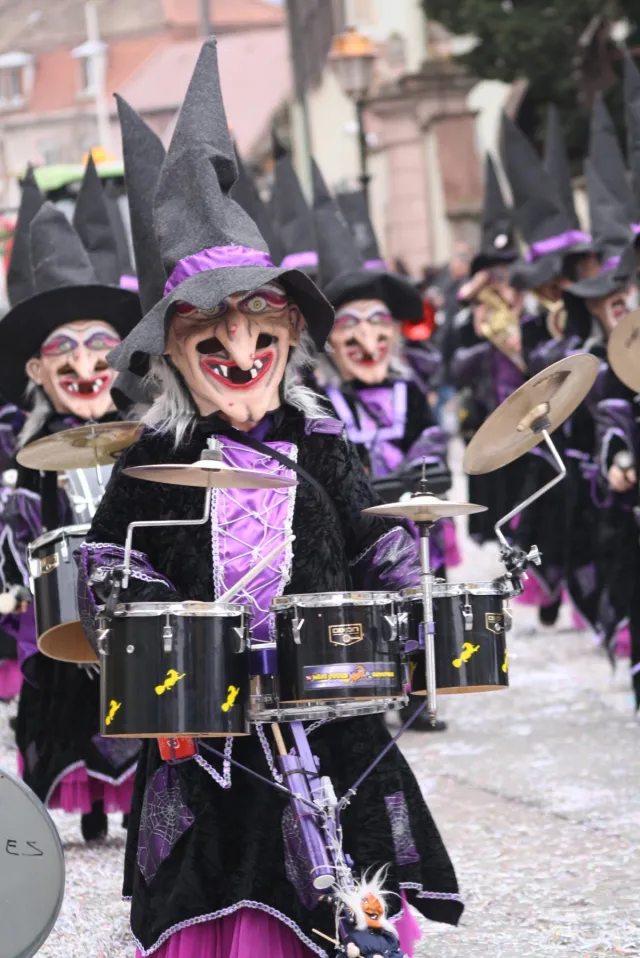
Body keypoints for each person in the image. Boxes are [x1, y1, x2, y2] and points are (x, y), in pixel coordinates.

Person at [77, 42, 463, 958]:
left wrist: (407, 602)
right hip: (208, 734)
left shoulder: (322, 440)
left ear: (290, 333)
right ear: (171, 350)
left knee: (345, 889)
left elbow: (375, 542)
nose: (238, 340)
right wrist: (151, 626)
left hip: (330, 717)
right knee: (222, 896)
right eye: (208, 325)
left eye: (259, 319)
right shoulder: (153, 454)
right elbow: (105, 564)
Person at [0, 159, 142, 840]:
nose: (85, 366)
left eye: (100, 349)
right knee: (59, 695)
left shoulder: (146, 434)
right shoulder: (28, 447)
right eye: (65, 354)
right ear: (37, 371)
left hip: (133, 593)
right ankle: (82, 800)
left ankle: (138, 792)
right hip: (56, 603)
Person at [310, 158, 456, 733]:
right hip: (357, 519)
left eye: (377, 324)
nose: (366, 339)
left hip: (411, 518)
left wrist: (425, 462)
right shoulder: (319, 400)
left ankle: (422, 692)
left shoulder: (408, 390)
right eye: (351, 326)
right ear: (330, 340)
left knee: (420, 602)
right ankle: (374, 687)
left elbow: (429, 439)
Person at [448, 154, 525, 544]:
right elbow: (454, 369)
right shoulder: (467, 320)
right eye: (492, 272)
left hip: (530, 417)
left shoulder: (532, 313)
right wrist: (481, 340)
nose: (500, 279)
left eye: (506, 271)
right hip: (486, 415)